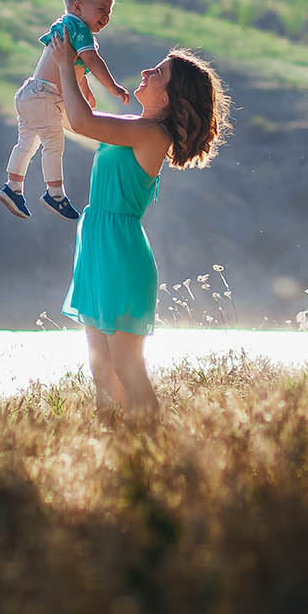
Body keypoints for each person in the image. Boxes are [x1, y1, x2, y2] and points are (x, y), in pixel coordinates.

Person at [46, 31, 231, 422]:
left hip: (120, 251)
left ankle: (151, 442)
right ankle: (114, 443)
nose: (147, 72)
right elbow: (72, 119)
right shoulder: (133, 126)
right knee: (101, 367)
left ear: (169, 97)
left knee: (126, 365)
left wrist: (65, 63)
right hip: (98, 244)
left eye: (158, 73)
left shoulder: (151, 134)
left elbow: (81, 121)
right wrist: (74, 70)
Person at [0, 0, 130, 220]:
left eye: (109, 12)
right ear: (78, 7)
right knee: (53, 143)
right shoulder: (78, 28)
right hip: (46, 96)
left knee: (28, 142)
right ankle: (55, 194)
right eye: (101, 10)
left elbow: (74, 67)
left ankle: (13, 186)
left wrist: (85, 90)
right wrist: (113, 87)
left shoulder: (66, 27)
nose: (106, 18)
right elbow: (92, 60)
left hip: (31, 93)